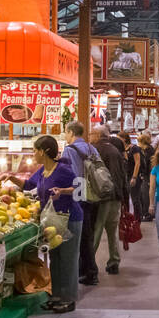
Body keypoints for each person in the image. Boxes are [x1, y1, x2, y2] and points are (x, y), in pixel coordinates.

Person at [20, 135, 81, 313]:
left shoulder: (62, 169)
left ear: (44, 151)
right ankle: (56, 296)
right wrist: (9, 178)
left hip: (69, 219)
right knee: (55, 260)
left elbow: (79, 187)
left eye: (35, 150)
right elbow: (27, 184)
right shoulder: (42, 170)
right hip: (52, 222)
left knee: (68, 260)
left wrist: (62, 191)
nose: (33, 153)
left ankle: (68, 299)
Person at [63, 122, 102, 286]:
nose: (65, 136)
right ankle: (86, 270)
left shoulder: (69, 150)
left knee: (81, 236)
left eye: (66, 132)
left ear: (71, 132)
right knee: (88, 234)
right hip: (93, 195)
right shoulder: (92, 148)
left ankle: (90, 271)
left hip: (78, 195)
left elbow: (68, 173)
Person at [89, 125, 128, 275]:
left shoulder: (94, 149)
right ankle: (114, 261)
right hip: (116, 196)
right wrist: (124, 196)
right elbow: (122, 175)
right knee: (113, 231)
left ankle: (89, 263)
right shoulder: (115, 150)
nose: (90, 136)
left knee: (96, 230)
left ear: (98, 135)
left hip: (102, 197)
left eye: (92, 133)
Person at [128, 132, 153, 221]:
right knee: (142, 195)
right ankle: (143, 214)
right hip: (145, 175)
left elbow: (139, 163)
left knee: (143, 195)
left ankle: (145, 215)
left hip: (146, 175)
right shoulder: (146, 150)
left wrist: (135, 177)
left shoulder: (145, 150)